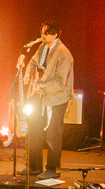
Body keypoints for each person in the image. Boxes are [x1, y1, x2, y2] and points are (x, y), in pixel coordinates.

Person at [24, 21, 74, 180]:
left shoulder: (64, 54)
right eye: (42, 32)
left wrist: (41, 86)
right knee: (34, 129)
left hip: (56, 98)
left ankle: (52, 168)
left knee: (53, 134)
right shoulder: (42, 48)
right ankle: (34, 166)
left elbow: (60, 82)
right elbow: (33, 62)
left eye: (46, 33)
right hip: (41, 95)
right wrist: (28, 72)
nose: (42, 36)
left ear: (56, 34)